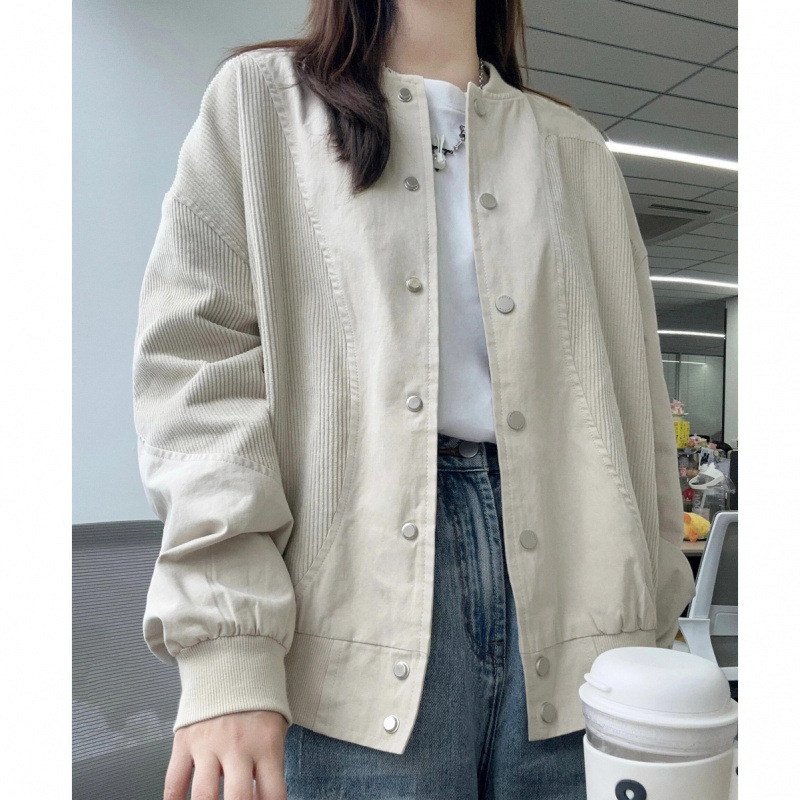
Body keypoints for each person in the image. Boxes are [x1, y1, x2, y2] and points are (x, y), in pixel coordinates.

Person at [131, 1, 697, 798]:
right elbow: (198, 377)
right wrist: (229, 646)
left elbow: (637, 407)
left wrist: (660, 630)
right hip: (350, 605)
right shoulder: (261, 104)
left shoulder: (574, 150)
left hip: (588, 603)